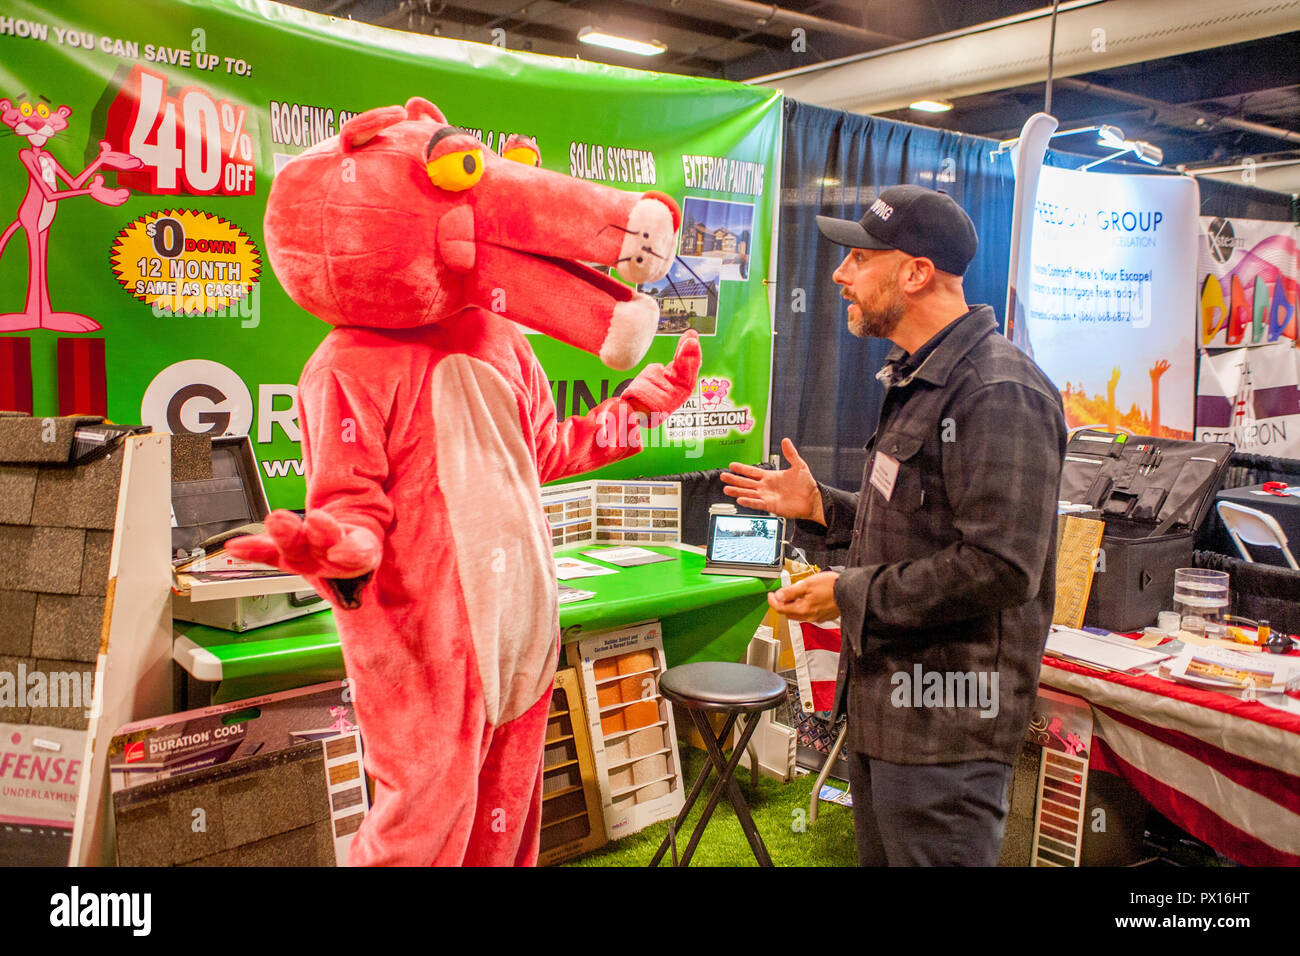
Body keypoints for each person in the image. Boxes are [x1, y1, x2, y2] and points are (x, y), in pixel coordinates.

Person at [722, 184, 1066, 866]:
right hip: (890, 714)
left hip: (949, 734)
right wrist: (825, 508)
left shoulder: (998, 390)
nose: (840, 274)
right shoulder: (921, 379)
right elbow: (922, 526)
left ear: (915, 273)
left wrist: (847, 592)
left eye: (860, 257)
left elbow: (1000, 567)